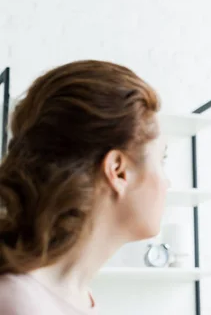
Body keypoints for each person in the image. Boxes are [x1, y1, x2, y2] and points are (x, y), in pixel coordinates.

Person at [0, 60, 169, 314]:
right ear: (118, 171)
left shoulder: (78, 298)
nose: (167, 182)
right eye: (161, 160)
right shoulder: (18, 303)